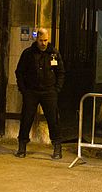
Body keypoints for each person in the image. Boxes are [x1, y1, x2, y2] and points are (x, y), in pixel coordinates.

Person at [14, 28, 65, 159]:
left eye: (46, 40)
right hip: (31, 91)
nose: (43, 43)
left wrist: (56, 89)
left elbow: (61, 72)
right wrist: (23, 89)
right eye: (41, 40)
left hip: (49, 91)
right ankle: (22, 146)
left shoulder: (54, 53)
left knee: (53, 119)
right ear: (37, 39)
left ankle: (57, 147)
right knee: (26, 119)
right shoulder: (28, 54)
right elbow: (19, 72)